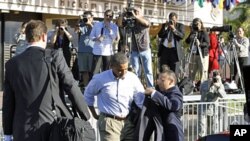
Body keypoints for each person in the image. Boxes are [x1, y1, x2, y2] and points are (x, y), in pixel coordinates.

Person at [2, 20, 91, 141]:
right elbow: (71, 86)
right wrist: (85, 115)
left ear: (27, 37)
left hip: (22, 129)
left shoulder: (12, 64)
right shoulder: (55, 56)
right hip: (52, 126)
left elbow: (8, 102)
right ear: (44, 36)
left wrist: (7, 133)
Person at [84, 52, 145, 141]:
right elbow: (88, 95)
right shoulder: (100, 79)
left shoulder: (133, 78)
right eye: (120, 70)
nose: (123, 72)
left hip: (128, 123)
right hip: (109, 123)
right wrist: (94, 114)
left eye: (126, 69)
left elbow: (140, 100)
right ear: (111, 66)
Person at [137, 69, 184, 141]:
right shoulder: (162, 93)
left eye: (162, 80)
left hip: (172, 136)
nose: (158, 82)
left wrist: (154, 93)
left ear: (171, 81)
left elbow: (173, 105)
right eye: (158, 79)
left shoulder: (175, 93)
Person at [123, 6, 154, 88]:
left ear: (141, 12)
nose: (135, 13)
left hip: (145, 49)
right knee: (135, 71)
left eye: (137, 11)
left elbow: (146, 24)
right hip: (134, 50)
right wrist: (124, 15)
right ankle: (136, 88)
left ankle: (151, 88)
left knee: (148, 71)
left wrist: (136, 17)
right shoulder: (131, 21)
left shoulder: (145, 19)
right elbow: (121, 25)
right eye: (134, 11)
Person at [90, 9, 119, 75]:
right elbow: (91, 36)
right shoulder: (97, 24)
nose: (108, 17)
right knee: (95, 72)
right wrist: (97, 39)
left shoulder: (114, 26)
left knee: (107, 72)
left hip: (108, 52)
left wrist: (109, 28)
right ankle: (94, 85)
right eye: (107, 15)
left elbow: (114, 37)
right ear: (104, 15)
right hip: (97, 51)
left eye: (110, 16)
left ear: (112, 17)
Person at [198, 70, 226, 137]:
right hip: (203, 109)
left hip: (214, 109)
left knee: (214, 129)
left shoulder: (220, 84)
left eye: (215, 76)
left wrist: (218, 87)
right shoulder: (204, 83)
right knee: (202, 129)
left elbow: (223, 96)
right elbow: (202, 92)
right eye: (212, 74)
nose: (213, 77)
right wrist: (209, 85)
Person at [185, 18, 210, 83]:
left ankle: (204, 87)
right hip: (193, 55)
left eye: (198, 24)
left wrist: (200, 44)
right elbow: (186, 41)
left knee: (203, 72)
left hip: (202, 55)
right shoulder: (192, 32)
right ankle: (190, 86)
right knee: (191, 72)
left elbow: (207, 43)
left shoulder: (204, 32)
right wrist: (191, 35)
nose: (196, 25)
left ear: (201, 24)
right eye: (195, 24)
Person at [75, 11, 94, 87]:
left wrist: (89, 24)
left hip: (92, 51)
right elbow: (76, 31)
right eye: (85, 17)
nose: (86, 19)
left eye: (88, 18)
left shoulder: (95, 24)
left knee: (93, 72)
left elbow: (96, 32)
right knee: (84, 71)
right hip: (82, 51)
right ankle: (86, 88)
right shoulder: (81, 24)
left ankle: (93, 88)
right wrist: (79, 20)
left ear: (92, 18)